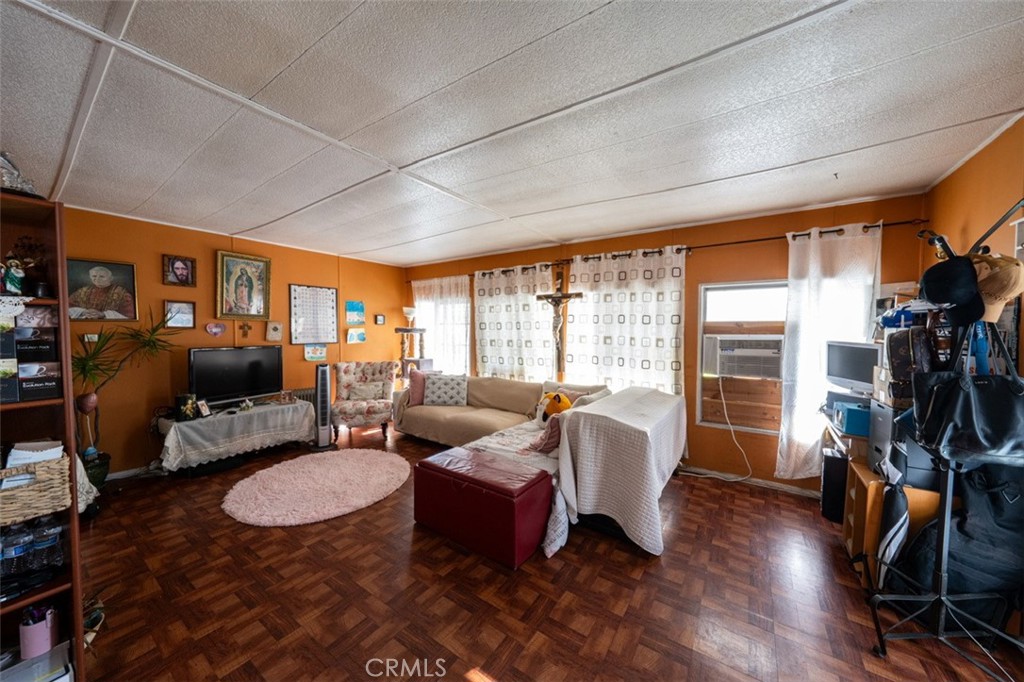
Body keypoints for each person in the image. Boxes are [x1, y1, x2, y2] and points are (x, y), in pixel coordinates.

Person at [69, 265, 135, 319]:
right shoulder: (81, 292)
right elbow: (66, 309)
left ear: (111, 278)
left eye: (102, 276)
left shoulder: (122, 294)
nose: (97, 279)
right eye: (94, 276)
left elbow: (130, 316)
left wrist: (104, 314)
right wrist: (83, 312)